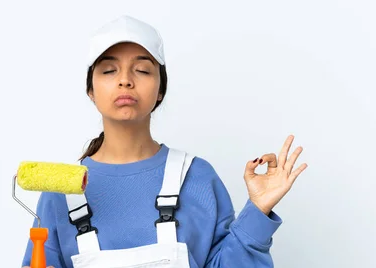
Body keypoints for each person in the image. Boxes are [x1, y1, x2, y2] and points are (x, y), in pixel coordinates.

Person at [21, 15, 307, 268]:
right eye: (109, 71)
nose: (125, 81)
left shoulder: (196, 177)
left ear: (160, 90)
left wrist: (258, 212)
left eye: (142, 70)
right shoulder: (62, 191)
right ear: (91, 90)